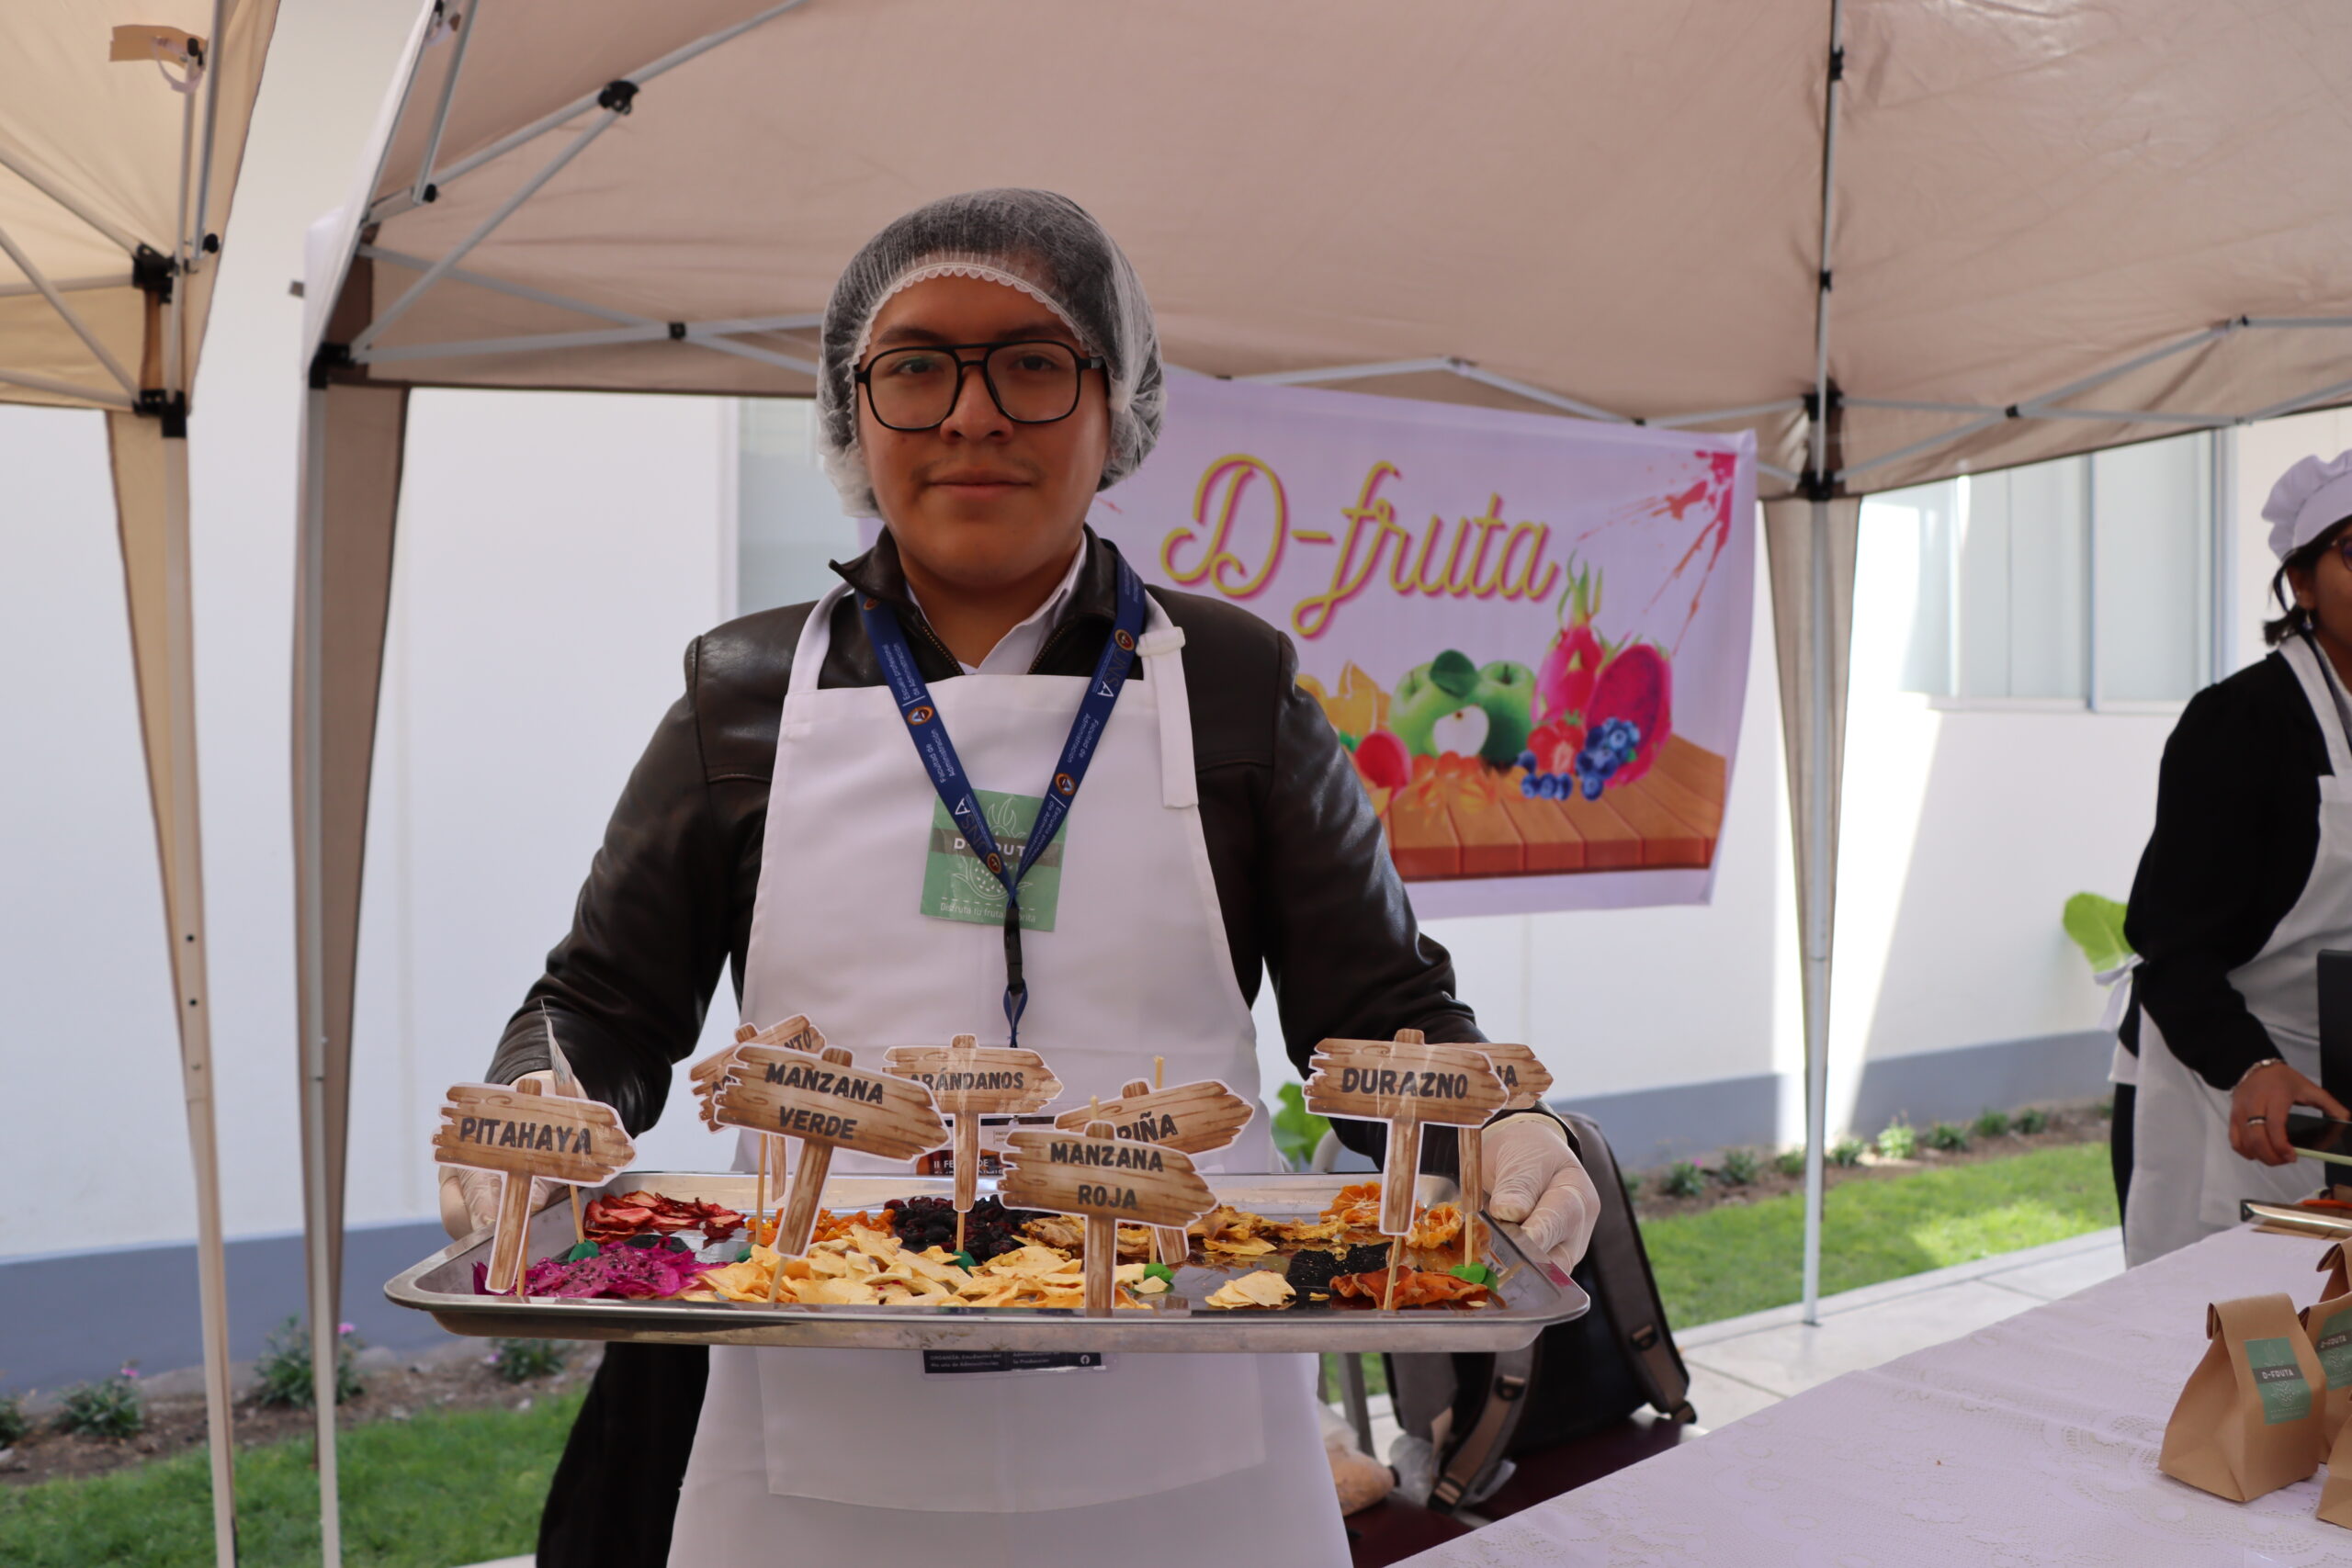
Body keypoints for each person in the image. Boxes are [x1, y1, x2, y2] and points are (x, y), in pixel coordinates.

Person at [438, 189, 1601, 1567]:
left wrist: (1502, 1128)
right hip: (819, 1402)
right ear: (853, 410)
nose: (972, 416)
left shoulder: (1234, 688)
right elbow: (603, 1003)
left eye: (1032, 365)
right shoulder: (740, 695)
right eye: (916, 367)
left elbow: (1382, 1013)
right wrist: (540, 1101)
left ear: (1117, 406)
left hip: (1186, 1406)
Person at [2121, 447, 2352, 1265]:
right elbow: (2172, 947)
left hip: (2340, 1069)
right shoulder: (2239, 723)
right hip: (2226, 1069)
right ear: (2302, 583)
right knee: (2232, 1313)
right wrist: (2250, 1061)